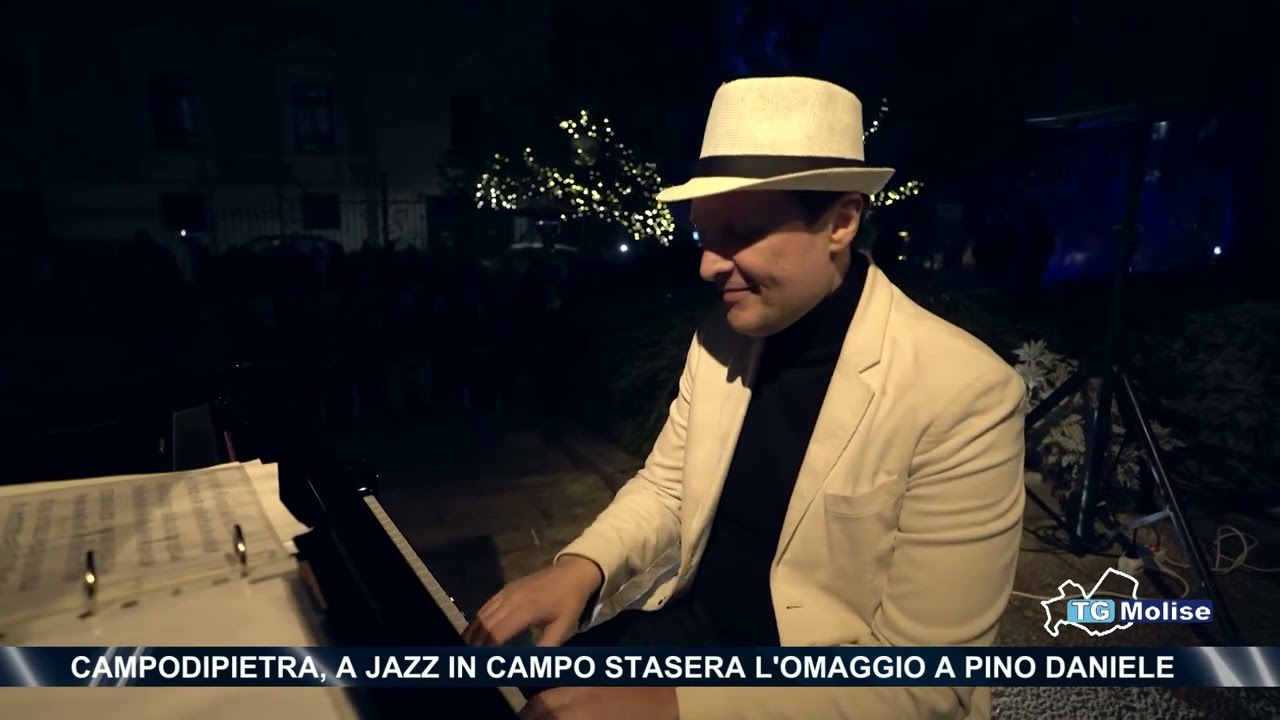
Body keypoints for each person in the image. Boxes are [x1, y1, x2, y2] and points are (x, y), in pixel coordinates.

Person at [464, 76, 1027, 720]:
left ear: (842, 221)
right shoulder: (720, 337)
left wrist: (676, 709)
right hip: (696, 633)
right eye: (705, 234)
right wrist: (583, 566)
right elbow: (669, 487)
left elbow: (927, 685)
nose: (708, 265)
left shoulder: (964, 393)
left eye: (740, 231)